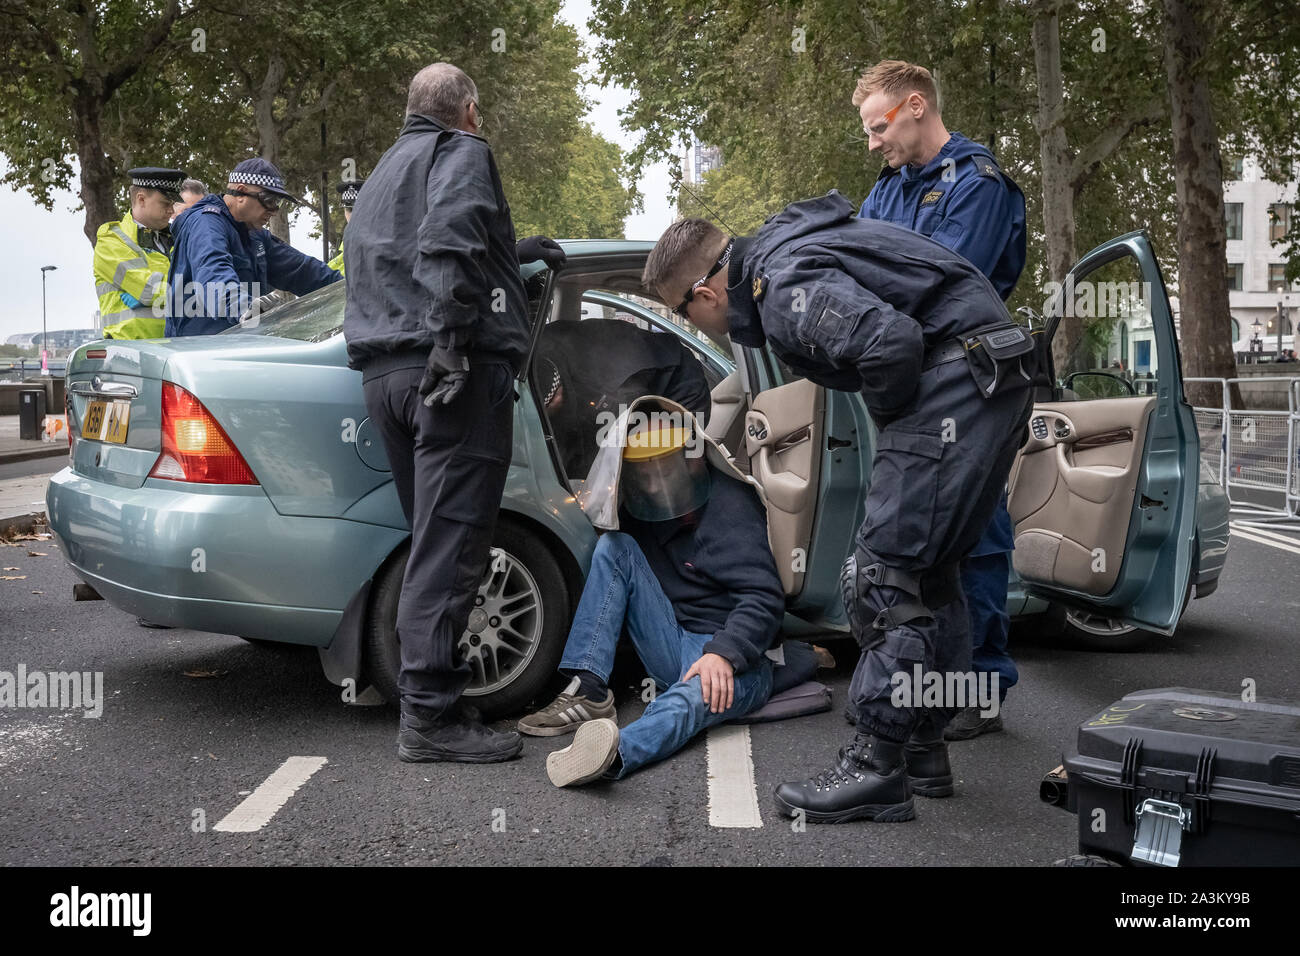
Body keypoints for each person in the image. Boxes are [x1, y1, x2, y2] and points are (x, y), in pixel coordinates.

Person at [642, 194, 1035, 823]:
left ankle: (876, 766)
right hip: (990, 375)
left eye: (681, 312)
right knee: (933, 575)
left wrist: (902, 428)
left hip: (958, 381)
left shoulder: (782, 285)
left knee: (883, 577)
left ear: (704, 293)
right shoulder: (790, 257)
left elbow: (890, 343)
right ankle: (922, 749)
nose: (692, 325)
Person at [342, 62, 566, 764]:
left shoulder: (382, 175)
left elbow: (416, 249)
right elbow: (453, 234)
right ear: (467, 110)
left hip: (386, 377)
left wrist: (512, 255)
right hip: (451, 378)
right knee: (455, 546)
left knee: (430, 543)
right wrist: (451, 340)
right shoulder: (462, 151)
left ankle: (429, 702)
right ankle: (431, 719)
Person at [854, 60, 1027, 742]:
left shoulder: (976, 185)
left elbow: (937, 290)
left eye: (878, 127)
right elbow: (855, 271)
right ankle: (931, 686)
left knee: (975, 535)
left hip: (970, 384)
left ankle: (980, 686)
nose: (872, 144)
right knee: (917, 540)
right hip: (911, 387)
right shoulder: (887, 190)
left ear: (916, 106)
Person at [517, 411, 785, 787]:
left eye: (664, 467)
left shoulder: (730, 506)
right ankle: (589, 688)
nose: (655, 484)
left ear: (692, 458)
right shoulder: (642, 509)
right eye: (643, 471)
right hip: (674, 641)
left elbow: (764, 598)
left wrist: (724, 652)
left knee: (687, 703)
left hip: (731, 658)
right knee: (615, 546)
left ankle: (613, 755)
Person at [165, 158, 340, 336]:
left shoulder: (254, 235)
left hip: (240, 348)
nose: (273, 210)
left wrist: (350, 288)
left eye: (278, 202)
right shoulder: (206, 224)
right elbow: (213, 273)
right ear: (240, 192)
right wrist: (244, 308)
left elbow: (304, 270)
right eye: (269, 199)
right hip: (200, 353)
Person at [536, 319, 712, 478]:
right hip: (625, 381)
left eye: (552, 409)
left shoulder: (609, 389)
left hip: (676, 379)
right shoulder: (534, 361)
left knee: (672, 470)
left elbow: (605, 455)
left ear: (558, 395)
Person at [94, 167, 184, 340]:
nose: (172, 210)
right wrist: (198, 290)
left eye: (173, 204)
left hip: (173, 349)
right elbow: (149, 289)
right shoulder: (112, 240)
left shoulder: (176, 238)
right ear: (141, 199)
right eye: (166, 203)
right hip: (130, 353)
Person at [327, 179, 365, 274]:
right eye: (349, 210)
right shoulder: (343, 248)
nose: (353, 216)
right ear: (344, 210)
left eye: (359, 209)